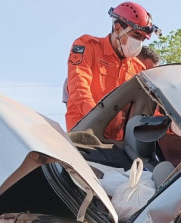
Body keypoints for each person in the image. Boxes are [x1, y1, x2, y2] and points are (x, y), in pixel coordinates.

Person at [65, 2, 159, 133]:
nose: (139, 43)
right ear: (118, 28)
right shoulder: (88, 46)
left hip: (118, 144)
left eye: (143, 39)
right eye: (136, 35)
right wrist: (97, 119)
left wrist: (172, 126)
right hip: (84, 134)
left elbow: (145, 108)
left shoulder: (138, 68)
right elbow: (79, 88)